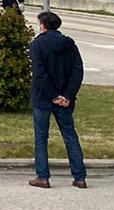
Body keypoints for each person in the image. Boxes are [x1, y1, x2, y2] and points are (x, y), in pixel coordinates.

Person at [29, 11, 87, 189]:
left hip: (43, 98)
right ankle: (79, 177)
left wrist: (54, 95)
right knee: (70, 135)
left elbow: (39, 74)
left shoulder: (37, 45)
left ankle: (43, 176)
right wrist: (67, 95)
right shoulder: (70, 45)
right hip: (65, 99)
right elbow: (77, 71)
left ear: (43, 25)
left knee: (41, 137)